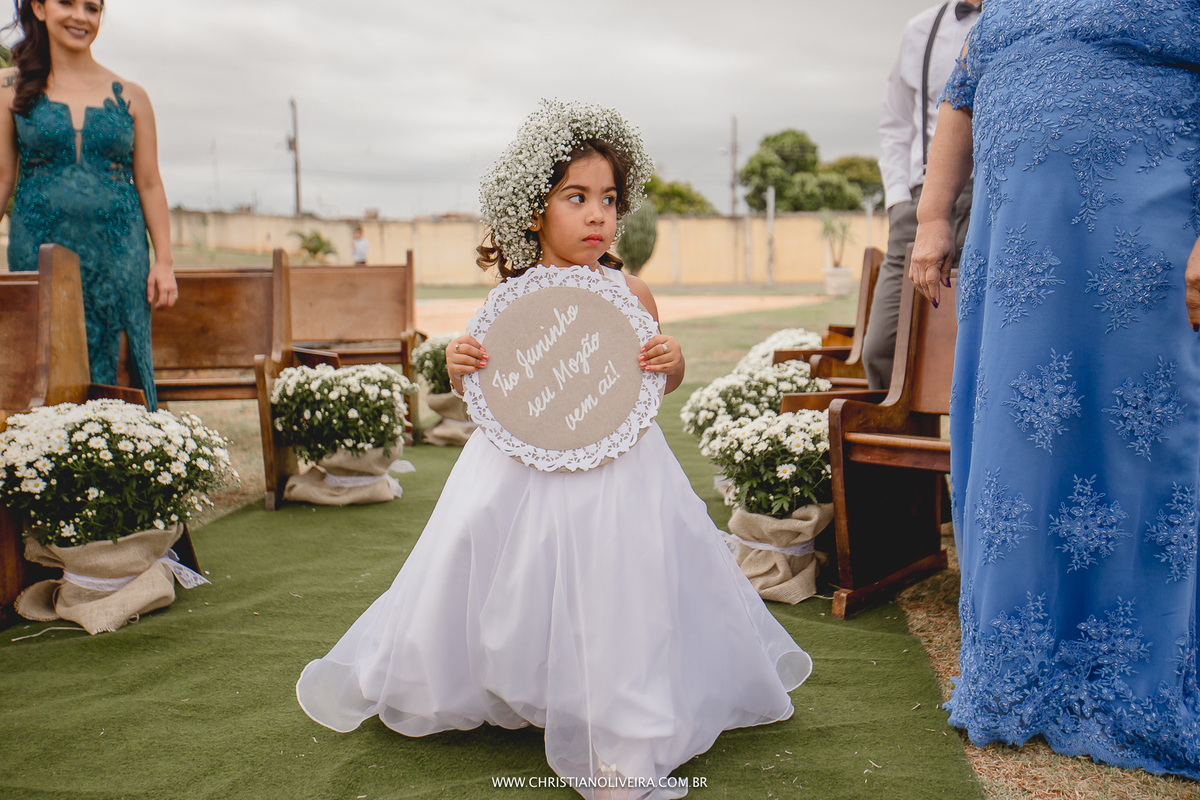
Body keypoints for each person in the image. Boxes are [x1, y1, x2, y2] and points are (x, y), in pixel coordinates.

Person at [296, 100, 812, 799]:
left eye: (609, 199)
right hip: (517, 470)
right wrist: (458, 360)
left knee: (619, 580)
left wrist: (672, 358)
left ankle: (622, 714)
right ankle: (510, 679)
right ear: (533, 211)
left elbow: (653, 384)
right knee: (500, 566)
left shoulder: (630, 291)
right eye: (577, 198)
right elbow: (475, 373)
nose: (599, 215)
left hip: (622, 475)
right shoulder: (511, 299)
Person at [910, 0, 1200, 778]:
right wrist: (933, 218)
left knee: (1138, 441)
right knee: (1020, 449)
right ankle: (1020, 672)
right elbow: (958, 99)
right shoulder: (1005, 7)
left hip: (1141, 249)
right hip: (1015, 259)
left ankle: (1139, 668)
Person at [0, 0, 176, 410]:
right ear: (40, 9)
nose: (81, 16)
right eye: (67, 4)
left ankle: (119, 467)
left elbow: (149, 183)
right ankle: (47, 468)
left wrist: (164, 260)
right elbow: (3, 177)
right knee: (43, 359)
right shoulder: (8, 87)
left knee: (117, 364)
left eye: (93, 8)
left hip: (119, 251)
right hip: (39, 247)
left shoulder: (133, 97)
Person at [862, 0, 980, 390]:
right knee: (883, 347)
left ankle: (970, 452)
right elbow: (895, 122)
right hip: (921, 203)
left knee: (985, 346)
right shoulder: (920, 29)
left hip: (995, 198)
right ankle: (905, 450)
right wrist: (899, 200)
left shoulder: (1031, 16)